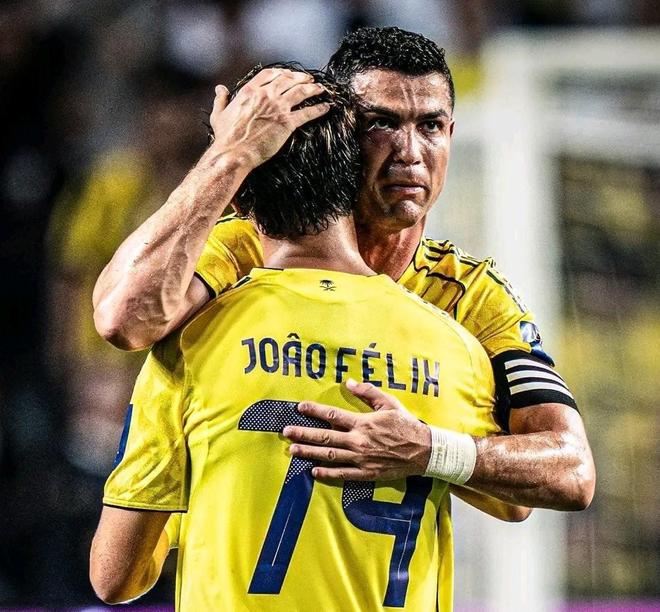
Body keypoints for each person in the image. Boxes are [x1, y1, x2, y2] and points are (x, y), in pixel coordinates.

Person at [92, 28, 594, 513]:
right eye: (382, 123)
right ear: (341, 134)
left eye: (430, 126)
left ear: (451, 135)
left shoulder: (468, 293)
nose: (410, 153)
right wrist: (231, 154)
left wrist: (430, 450)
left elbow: (572, 471)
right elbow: (122, 319)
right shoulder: (248, 246)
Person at [90, 66, 504, 610]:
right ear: (355, 183)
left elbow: (116, 577)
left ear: (239, 203)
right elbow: (514, 500)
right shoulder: (455, 348)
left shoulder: (196, 339)